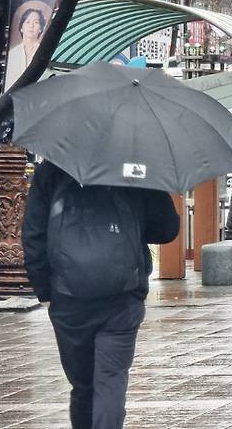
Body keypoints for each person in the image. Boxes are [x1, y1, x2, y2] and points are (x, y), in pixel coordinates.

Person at [23, 160, 179, 429]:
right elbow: (166, 230)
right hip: (123, 296)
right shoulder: (137, 167)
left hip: (68, 297)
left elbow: (34, 234)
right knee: (110, 381)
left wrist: (45, 290)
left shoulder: (52, 169)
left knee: (83, 386)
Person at [5, 7, 47, 91]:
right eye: (27, 22)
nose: (31, 26)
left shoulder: (44, 53)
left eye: (36, 22)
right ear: (21, 27)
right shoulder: (13, 53)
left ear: (41, 29)